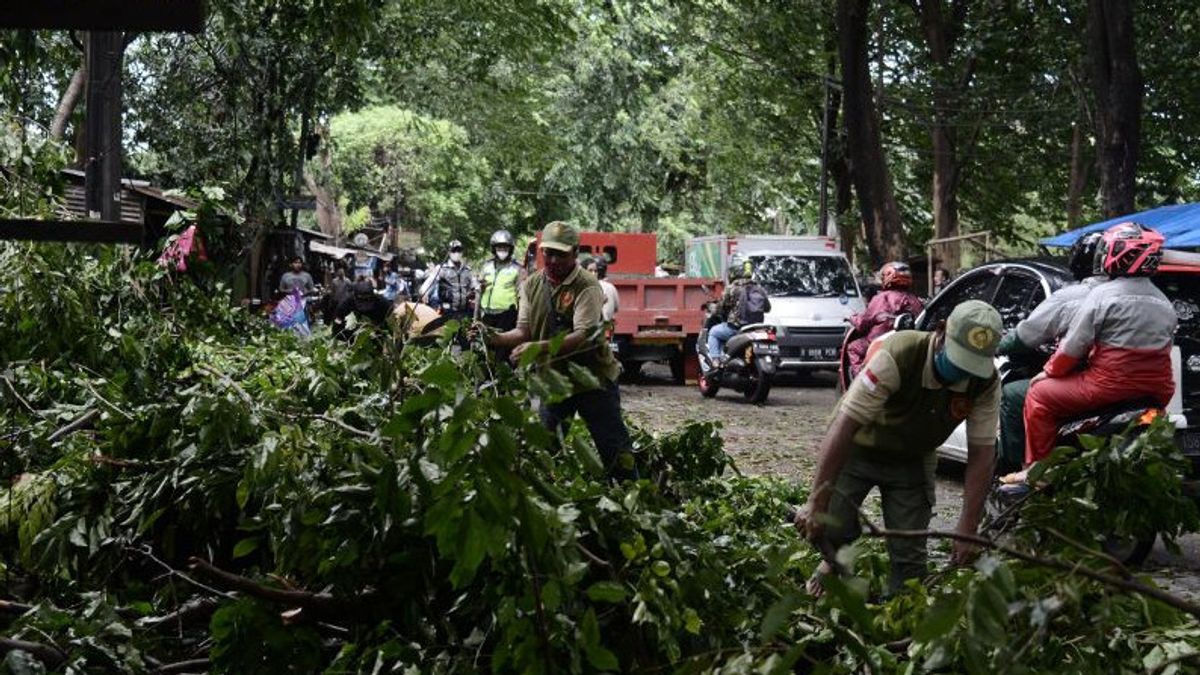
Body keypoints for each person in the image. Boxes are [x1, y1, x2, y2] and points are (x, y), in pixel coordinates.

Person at [795, 300, 1002, 594]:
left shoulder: (985, 382)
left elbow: (982, 454)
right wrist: (816, 500)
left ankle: (898, 610)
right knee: (831, 526)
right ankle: (833, 561)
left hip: (913, 459)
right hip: (858, 447)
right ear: (941, 332)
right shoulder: (899, 353)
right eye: (958, 359)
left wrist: (968, 527)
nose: (961, 372)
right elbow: (845, 426)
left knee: (910, 558)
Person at [1020, 223, 1177, 473]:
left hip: (1107, 387)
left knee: (1037, 394)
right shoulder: (1164, 302)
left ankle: (1037, 471)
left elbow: (1073, 347)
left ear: (1118, 253)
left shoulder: (1103, 294)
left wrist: (1049, 372)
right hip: (1158, 391)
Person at [485, 221, 635, 479]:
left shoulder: (587, 285)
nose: (552, 260)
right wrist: (494, 338)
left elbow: (583, 336)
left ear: (575, 253)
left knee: (614, 448)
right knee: (545, 449)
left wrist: (535, 349)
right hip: (554, 380)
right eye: (548, 253)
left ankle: (632, 495)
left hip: (593, 380)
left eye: (560, 254)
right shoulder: (531, 284)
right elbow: (523, 330)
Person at [992, 233, 1104, 475]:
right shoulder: (1152, 297)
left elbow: (1029, 335)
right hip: (1144, 384)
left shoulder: (1075, 296)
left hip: (1093, 382)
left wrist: (1000, 344)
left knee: (1014, 394)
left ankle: (1025, 471)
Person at [845, 262, 924, 378]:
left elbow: (862, 323)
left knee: (853, 347)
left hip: (878, 344)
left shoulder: (881, 298)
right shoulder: (915, 300)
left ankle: (861, 381)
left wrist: (852, 318)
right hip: (907, 347)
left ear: (887, 277)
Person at [706, 257, 771, 365]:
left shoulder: (732, 288)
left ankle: (715, 360)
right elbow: (768, 308)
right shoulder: (759, 288)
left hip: (736, 328)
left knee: (713, 332)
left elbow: (721, 308)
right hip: (756, 329)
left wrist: (713, 308)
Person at [478, 230, 524, 331]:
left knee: (504, 345)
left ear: (510, 249)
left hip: (507, 315)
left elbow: (522, 295)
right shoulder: (486, 266)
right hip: (487, 314)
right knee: (485, 344)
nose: (502, 250)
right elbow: (479, 290)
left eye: (505, 247)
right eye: (499, 247)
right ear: (494, 249)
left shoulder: (517, 268)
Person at [424, 240, 478, 320]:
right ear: (449, 252)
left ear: (462, 252)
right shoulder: (441, 268)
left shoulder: (467, 270)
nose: (456, 253)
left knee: (465, 331)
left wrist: (478, 287)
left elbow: (476, 286)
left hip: (464, 311)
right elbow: (428, 283)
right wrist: (424, 293)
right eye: (454, 250)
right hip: (447, 311)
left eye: (459, 250)